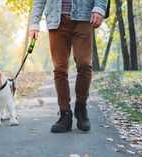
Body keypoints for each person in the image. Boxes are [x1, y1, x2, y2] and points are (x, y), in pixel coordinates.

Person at [29, 0, 108, 133]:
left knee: (84, 64)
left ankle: (81, 108)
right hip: (56, 19)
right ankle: (65, 114)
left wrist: (99, 8)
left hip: (84, 17)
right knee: (60, 68)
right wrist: (34, 23)